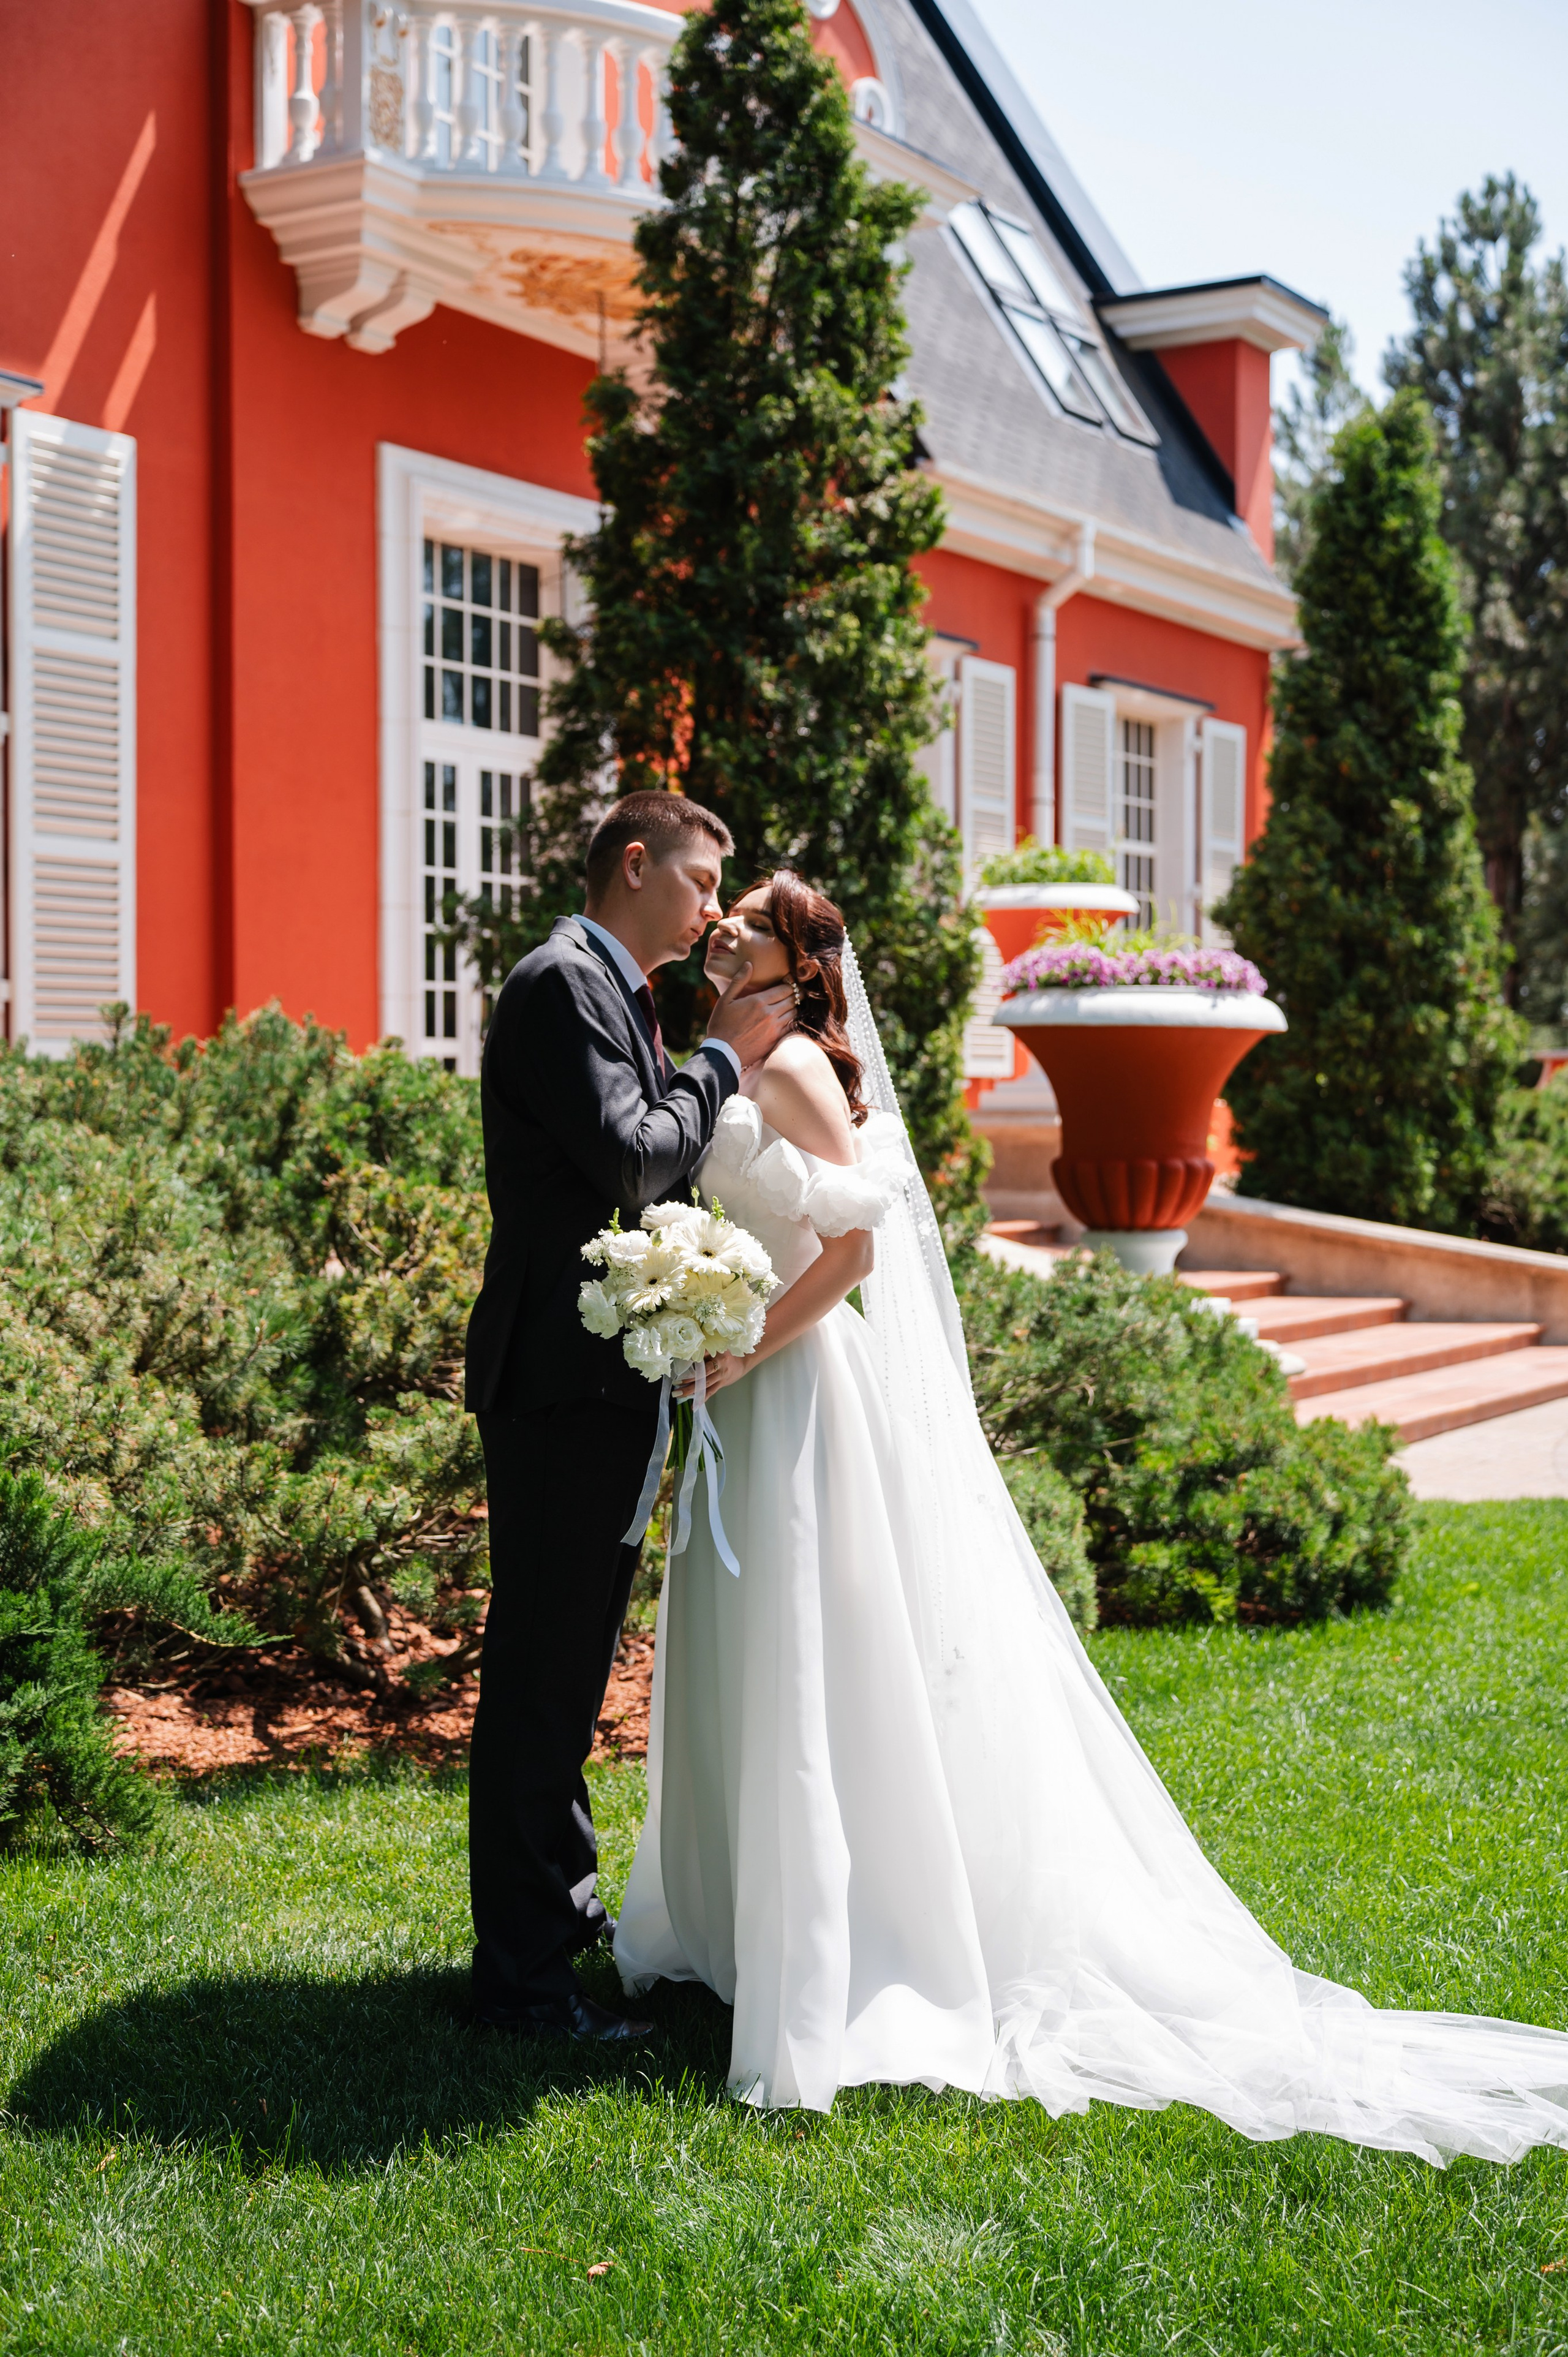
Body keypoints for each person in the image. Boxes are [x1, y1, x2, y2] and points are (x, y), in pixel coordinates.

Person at [615, 870, 1568, 2163]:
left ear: (792, 965)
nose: (721, 930)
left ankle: (836, 1947)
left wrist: (738, 1347)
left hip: (793, 1387)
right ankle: (748, 1925)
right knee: (765, 1656)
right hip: (762, 1382)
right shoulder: (755, 1060)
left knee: (809, 1663)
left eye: (749, 926)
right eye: (723, 922)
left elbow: (850, 1255)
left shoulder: (785, 1074)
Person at [465, 792, 793, 2044]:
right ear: (637, 863)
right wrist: (720, 1059)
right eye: (704, 879)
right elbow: (629, 1159)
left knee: (564, 1666)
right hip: (559, 1388)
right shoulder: (562, 982)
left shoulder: (611, 988)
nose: (714, 906)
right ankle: (524, 1990)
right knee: (543, 1681)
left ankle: (554, 1922)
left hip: (596, 1380)